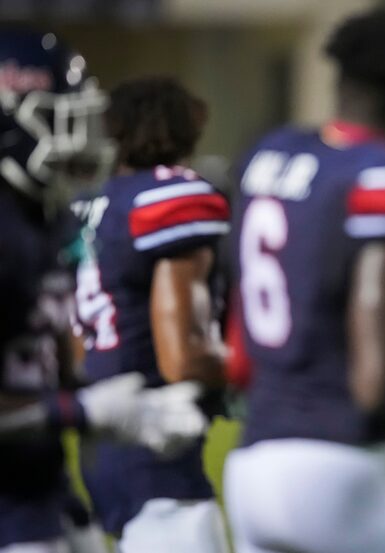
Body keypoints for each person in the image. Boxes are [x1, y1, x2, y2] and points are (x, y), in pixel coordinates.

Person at [222, 8, 385, 553]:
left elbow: (237, 347)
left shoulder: (268, 156)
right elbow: (377, 380)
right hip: (349, 463)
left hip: (253, 463)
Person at [0, 30, 206, 553]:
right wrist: (84, 413)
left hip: (37, 504)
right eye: (53, 113)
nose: (76, 131)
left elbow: (36, 368)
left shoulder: (45, 220)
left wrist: (68, 503)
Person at [72, 76, 230, 553]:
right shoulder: (173, 197)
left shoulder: (91, 205)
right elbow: (180, 357)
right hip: (157, 430)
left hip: (102, 433)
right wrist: (250, 367)